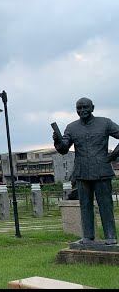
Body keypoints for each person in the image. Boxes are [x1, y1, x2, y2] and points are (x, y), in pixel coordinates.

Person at [53, 97, 119, 245]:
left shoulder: (105, 123)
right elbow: (64, 149)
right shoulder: (71, 127)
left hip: (102, 170)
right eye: (79, 108)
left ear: (92, 108)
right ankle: (88, 236)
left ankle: (110, 236)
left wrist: (113, 155)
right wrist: (57, 141)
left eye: (85, 107)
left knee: (105, 205)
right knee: (85, 205)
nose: (82, 110)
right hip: (82, 172)